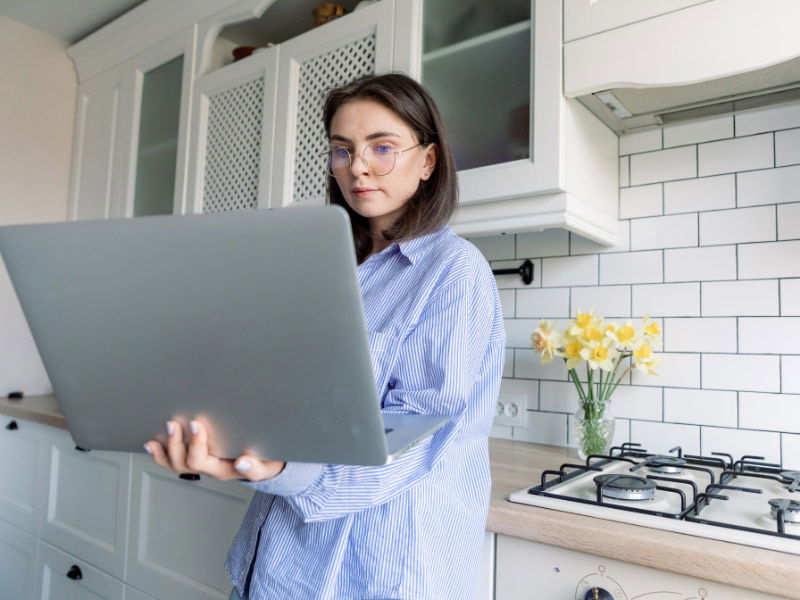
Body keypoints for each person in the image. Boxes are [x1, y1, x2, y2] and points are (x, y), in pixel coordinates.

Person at [144, 72, 505, 600]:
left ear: (428, 161)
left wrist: (287, 468)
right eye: (342, 150)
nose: (357, 167)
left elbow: (414, 437)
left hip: (378, 572)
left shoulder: (455, 272)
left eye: (381, 147)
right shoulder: (321, 267)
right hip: (274, 559)